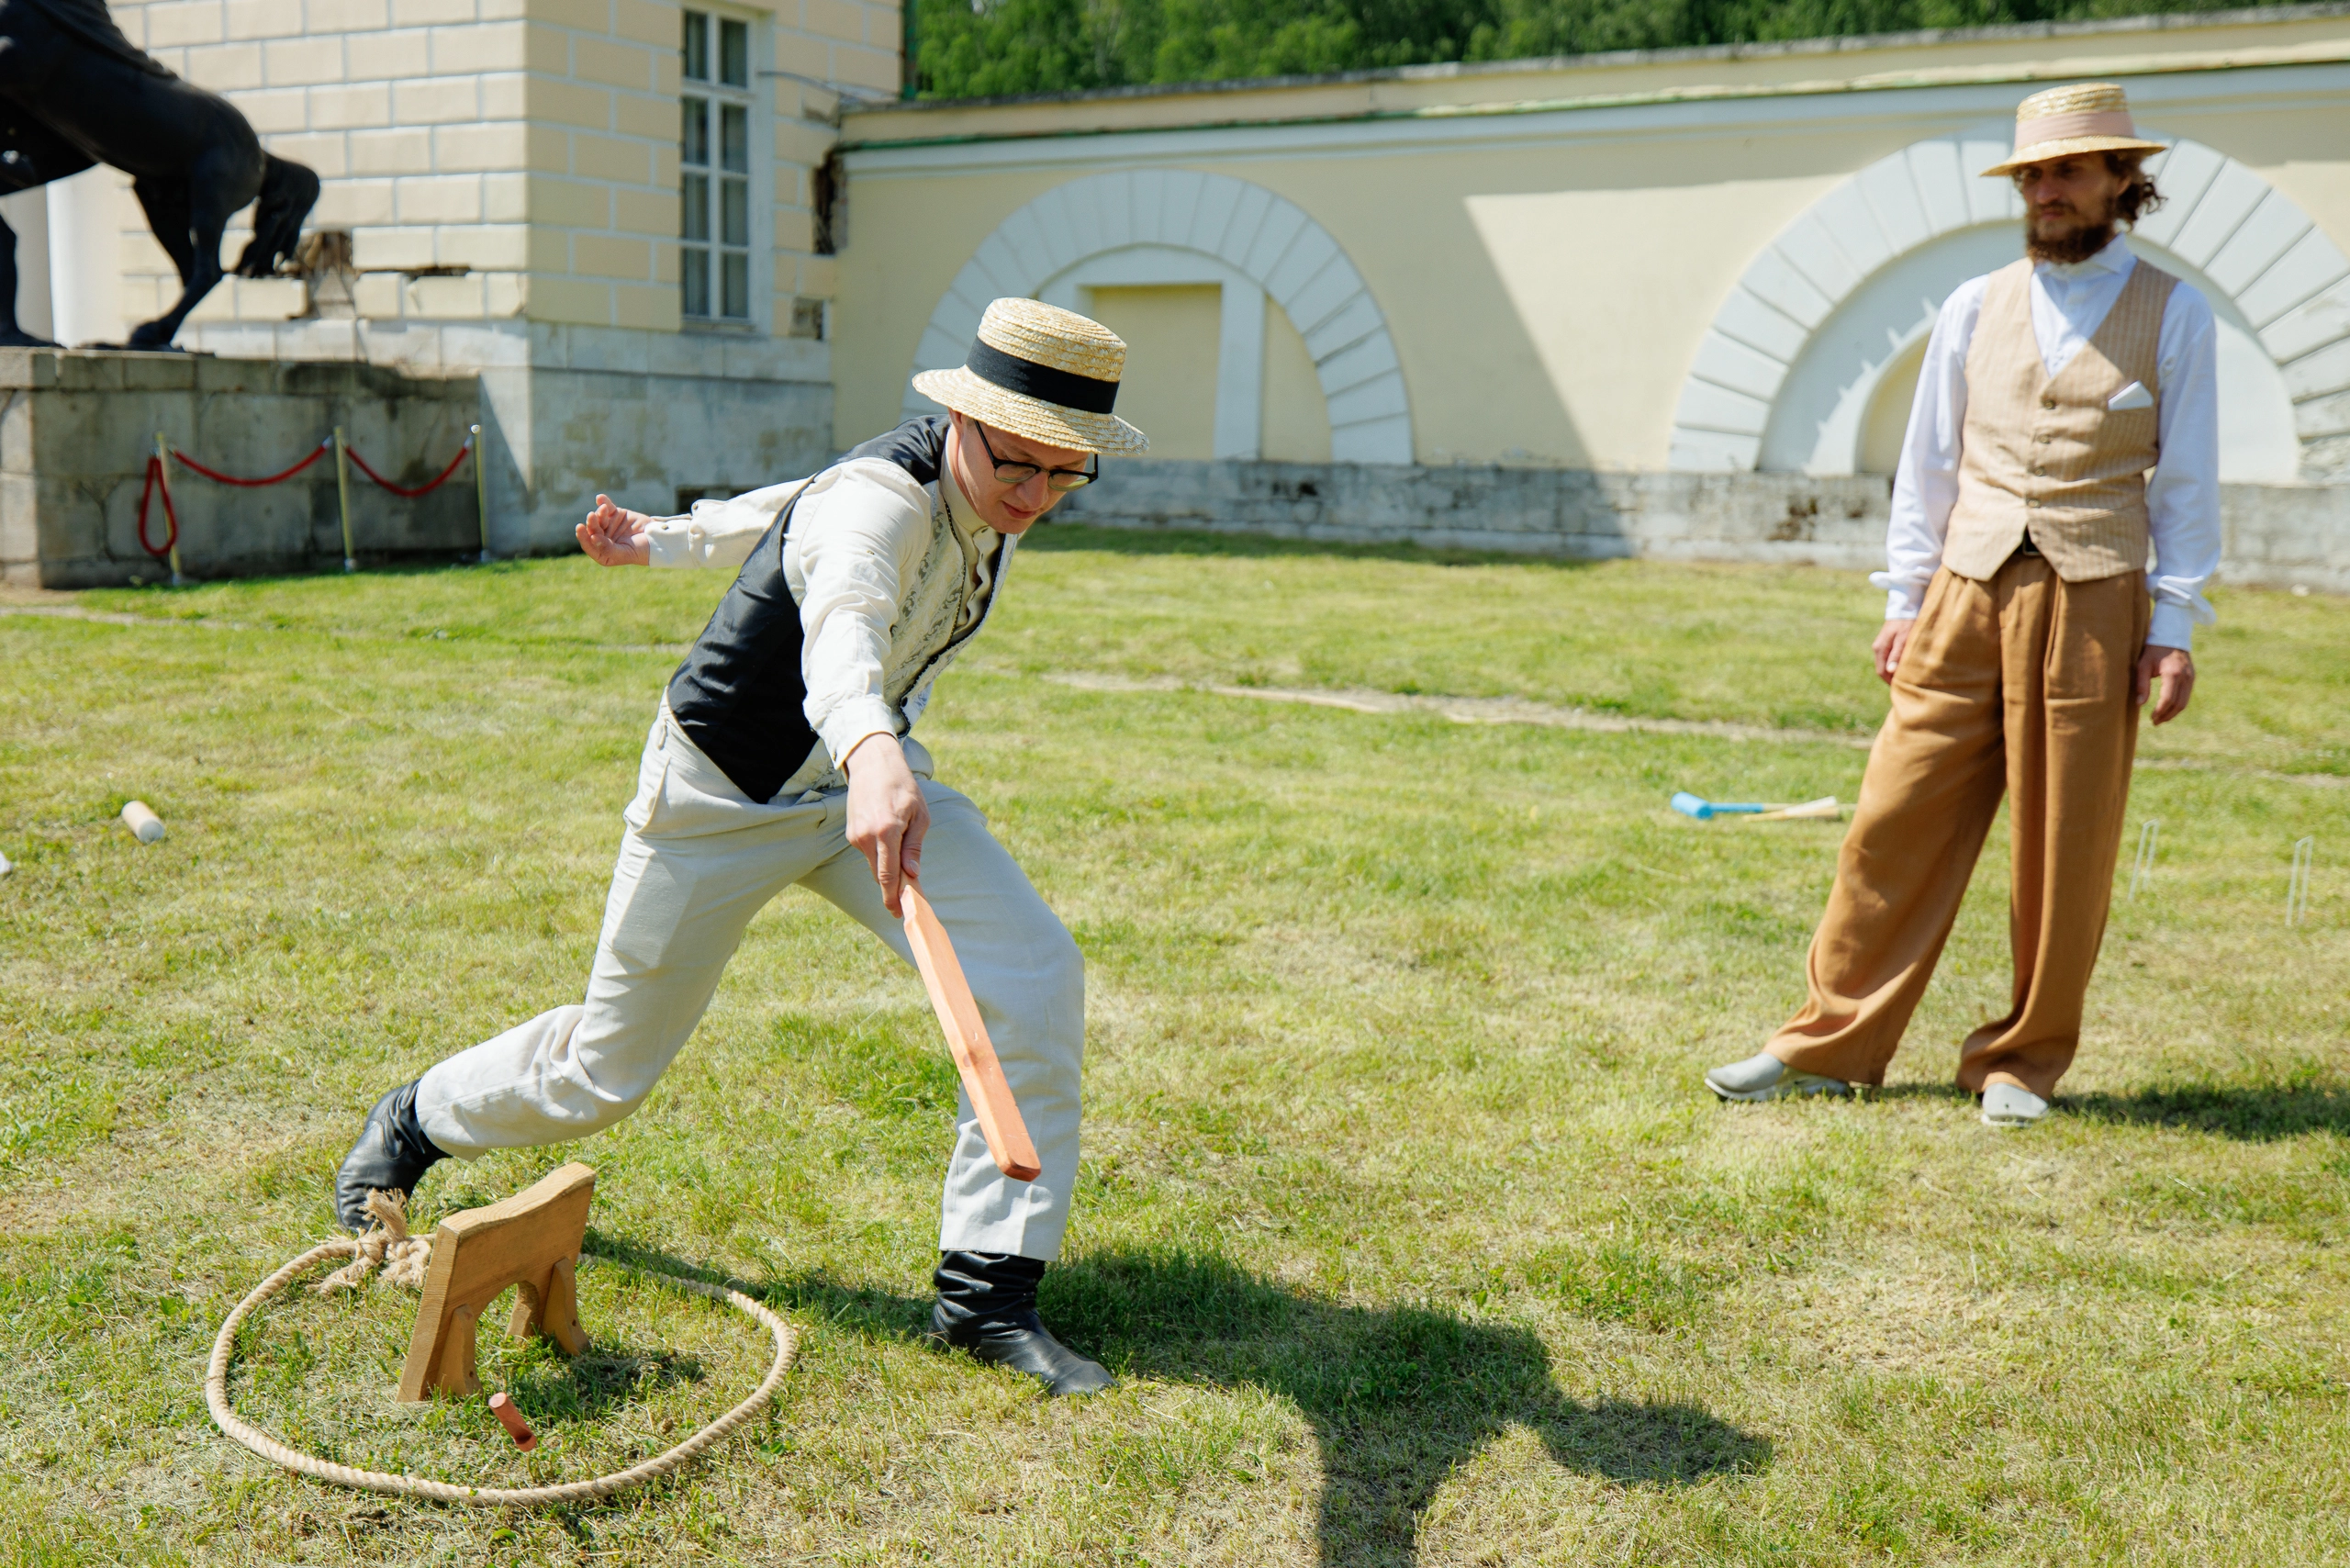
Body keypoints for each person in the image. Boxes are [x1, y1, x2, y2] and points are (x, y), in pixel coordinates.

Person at [333, 298, 1149, 1394]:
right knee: (606, 1071)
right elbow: (844, 620)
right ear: (964, 419)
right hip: (722, 795)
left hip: (859, 785)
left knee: (1035, 971)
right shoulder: (879, 500)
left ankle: (987, 1294)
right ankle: (417, 1118)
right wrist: (870, 748)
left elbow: (785, 508)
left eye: (1064, 477)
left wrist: (662, 539)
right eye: (1018, 466)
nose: (1033, 498)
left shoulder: (966, 490)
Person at [1705, 84, 2217, 1128]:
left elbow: (2187, 483)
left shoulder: (2176, 312)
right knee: (1891, 817)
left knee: (2064, 838)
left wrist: (2173, 627)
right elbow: (1926, 465)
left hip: (2094, 595)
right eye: (2031, 175)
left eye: (2067, 171)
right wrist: (1903, 597)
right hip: (1961, 589)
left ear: (2122, 179)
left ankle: (2020, 1061)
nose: (2045, 191)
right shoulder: (1973, 305)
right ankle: (1828, 1041)